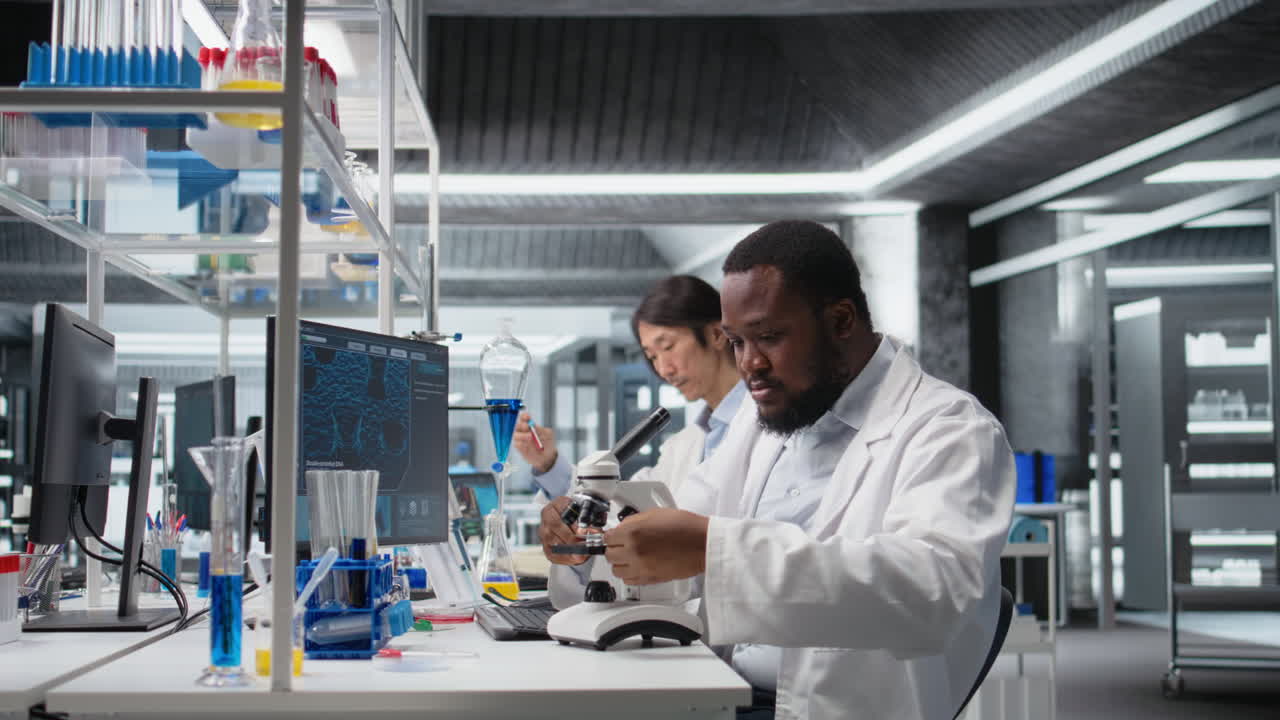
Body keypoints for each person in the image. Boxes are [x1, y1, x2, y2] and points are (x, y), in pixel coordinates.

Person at [587, 221, 1015, 720]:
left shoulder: (951, 430)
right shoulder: (761, 415)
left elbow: (930, 594)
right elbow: (684, 518)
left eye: (768, 337)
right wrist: (597, 530)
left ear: (840, 321)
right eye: (737, 342)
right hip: (725, 688)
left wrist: (715, 549)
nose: (749, 364)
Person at [513, 276, 747, 599]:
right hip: (693, 628)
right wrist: (550, 468)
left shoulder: (765, 428)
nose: (664, 368)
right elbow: (625, 512)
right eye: (652, 356)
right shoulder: (690, 442)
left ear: (717, 333)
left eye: (668, 347)